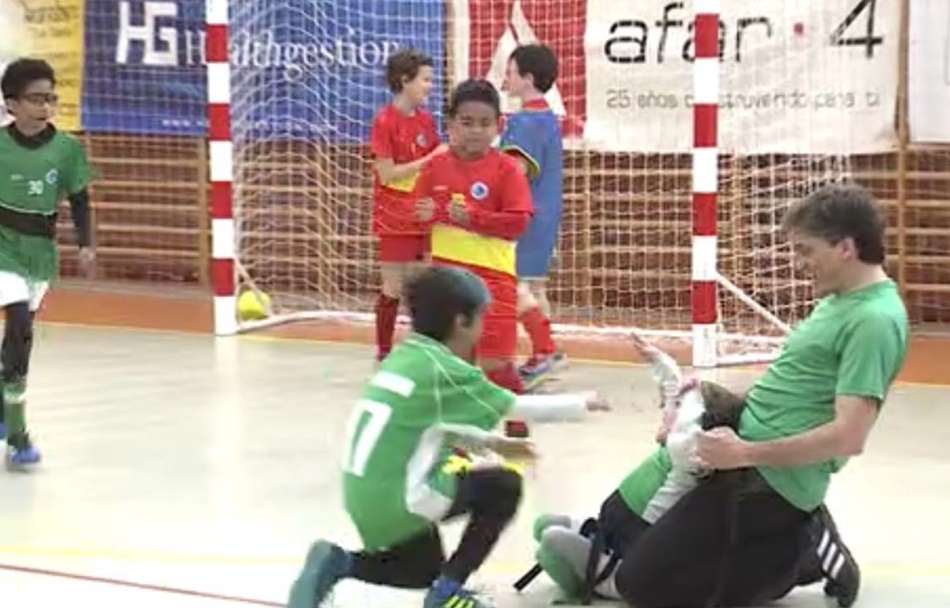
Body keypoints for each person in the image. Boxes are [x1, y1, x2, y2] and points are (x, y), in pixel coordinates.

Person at [553, 183, 907, 608]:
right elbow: (794, 388)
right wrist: (697, 398)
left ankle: (805, 549)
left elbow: (848, 437)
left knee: (643, 586)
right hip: (742, 452)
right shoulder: (838, 299)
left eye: (806, 251)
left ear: (845, 247)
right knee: (638, 546)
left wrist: (745, 453)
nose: (800, 264)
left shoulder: (873, 321)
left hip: (771, 481)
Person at [286, 265, 608, 608]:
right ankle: (448, 591)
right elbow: (514, 405)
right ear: (460, 322)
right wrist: (582, 403)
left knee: (419, 569)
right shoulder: (447, 370)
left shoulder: (407, 357)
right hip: (402, 497)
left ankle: (339, 562)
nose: (483, 328)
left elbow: (429, 423)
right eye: (481, 318)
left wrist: (490, 443)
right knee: (503, 488)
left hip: (363, 493)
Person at [521, 333, 746, 603]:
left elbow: (683, 419)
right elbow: (675, 390)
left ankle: (586, 585)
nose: (668, 413)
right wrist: (661, 362)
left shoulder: (689, 465)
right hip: (613, 529)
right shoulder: (681, 448)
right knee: (544, 524)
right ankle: (580, 561)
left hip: (622, 562)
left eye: (680, 417)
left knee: (551, 539)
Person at [0, 58, 94, 468]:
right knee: (18, 326)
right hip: (2, 248)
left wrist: (87, 243)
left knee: (20, 337)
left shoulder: (67, 149)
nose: (45, 106)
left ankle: (5, 408)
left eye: (51, 98)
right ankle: (19, 436)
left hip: (40, 254)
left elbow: (79, 199)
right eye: (35, 98)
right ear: (11, 105)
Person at [413, 78, 532, 399]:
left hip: (494, 283)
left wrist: (472, 219)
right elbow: (419, 215)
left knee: (496, 364)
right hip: (447, 283)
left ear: (499, 125)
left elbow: (518, 223)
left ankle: (517, 431)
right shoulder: (435, 166)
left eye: (484, 123)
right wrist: (423, 218)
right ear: (450, 123)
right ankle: (459, 442)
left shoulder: (507, 169)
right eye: (466, 122)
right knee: (452, 364)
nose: (475, 131)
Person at [369, 48, 446, 362]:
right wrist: (429, 158)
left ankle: (425, 351)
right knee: (393, 286)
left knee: (428, 285)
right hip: (393, 217)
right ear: (405, 81)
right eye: (426, 80)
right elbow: (386, 174)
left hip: (423, 214)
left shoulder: (427, 121)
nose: (431, 86)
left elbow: (434, 167)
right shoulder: (384, 121)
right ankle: (384, 353)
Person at [499, 43, 566, 390]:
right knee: (534, 286)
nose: (504, 78)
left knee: (514, 287)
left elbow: (516, 170)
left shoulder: (525, 121)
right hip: (546, 212)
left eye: (509, 72)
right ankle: (545, 356)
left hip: (526, 215)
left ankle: (545, 351)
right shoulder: (547, 117)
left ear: (526, 78)